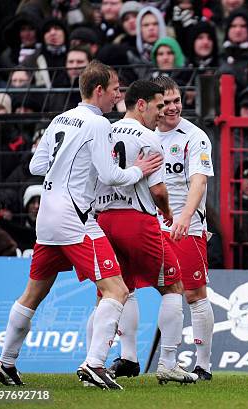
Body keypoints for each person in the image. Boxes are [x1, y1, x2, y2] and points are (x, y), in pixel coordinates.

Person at [0, 61, 163, 390]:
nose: (117, 96)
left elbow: (37, 164)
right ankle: (95, 363)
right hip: (75, 218)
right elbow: (113, 176)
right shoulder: (98, 125)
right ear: (99, 91)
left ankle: (5, 362)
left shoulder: (60, 118)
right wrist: (139, 169)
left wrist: (70, 166)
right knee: (117, 290)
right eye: (114, 90)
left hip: (47, 216)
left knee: (32, 293)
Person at [92, 80, 196, 385]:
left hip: (105, 220)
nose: (162, 112)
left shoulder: (105, 132)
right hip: (137, 221)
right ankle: (167, 362)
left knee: (114, 293)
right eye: (158, 105)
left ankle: (98, 362)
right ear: (141, 104)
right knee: (173, 286)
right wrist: (166, 211)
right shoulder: (149, 138)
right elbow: (159, 189)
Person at [155, 76, 215, 380]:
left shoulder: (194, 136)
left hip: (185, 228)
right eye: (165, 103)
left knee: (194, 294)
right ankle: (127, 358)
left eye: (176, 100)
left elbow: (199, 181)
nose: (172, 107)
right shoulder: (144, 135)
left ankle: (203, 364)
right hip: (150, 227)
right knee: (125, 291)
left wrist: (185, 217)